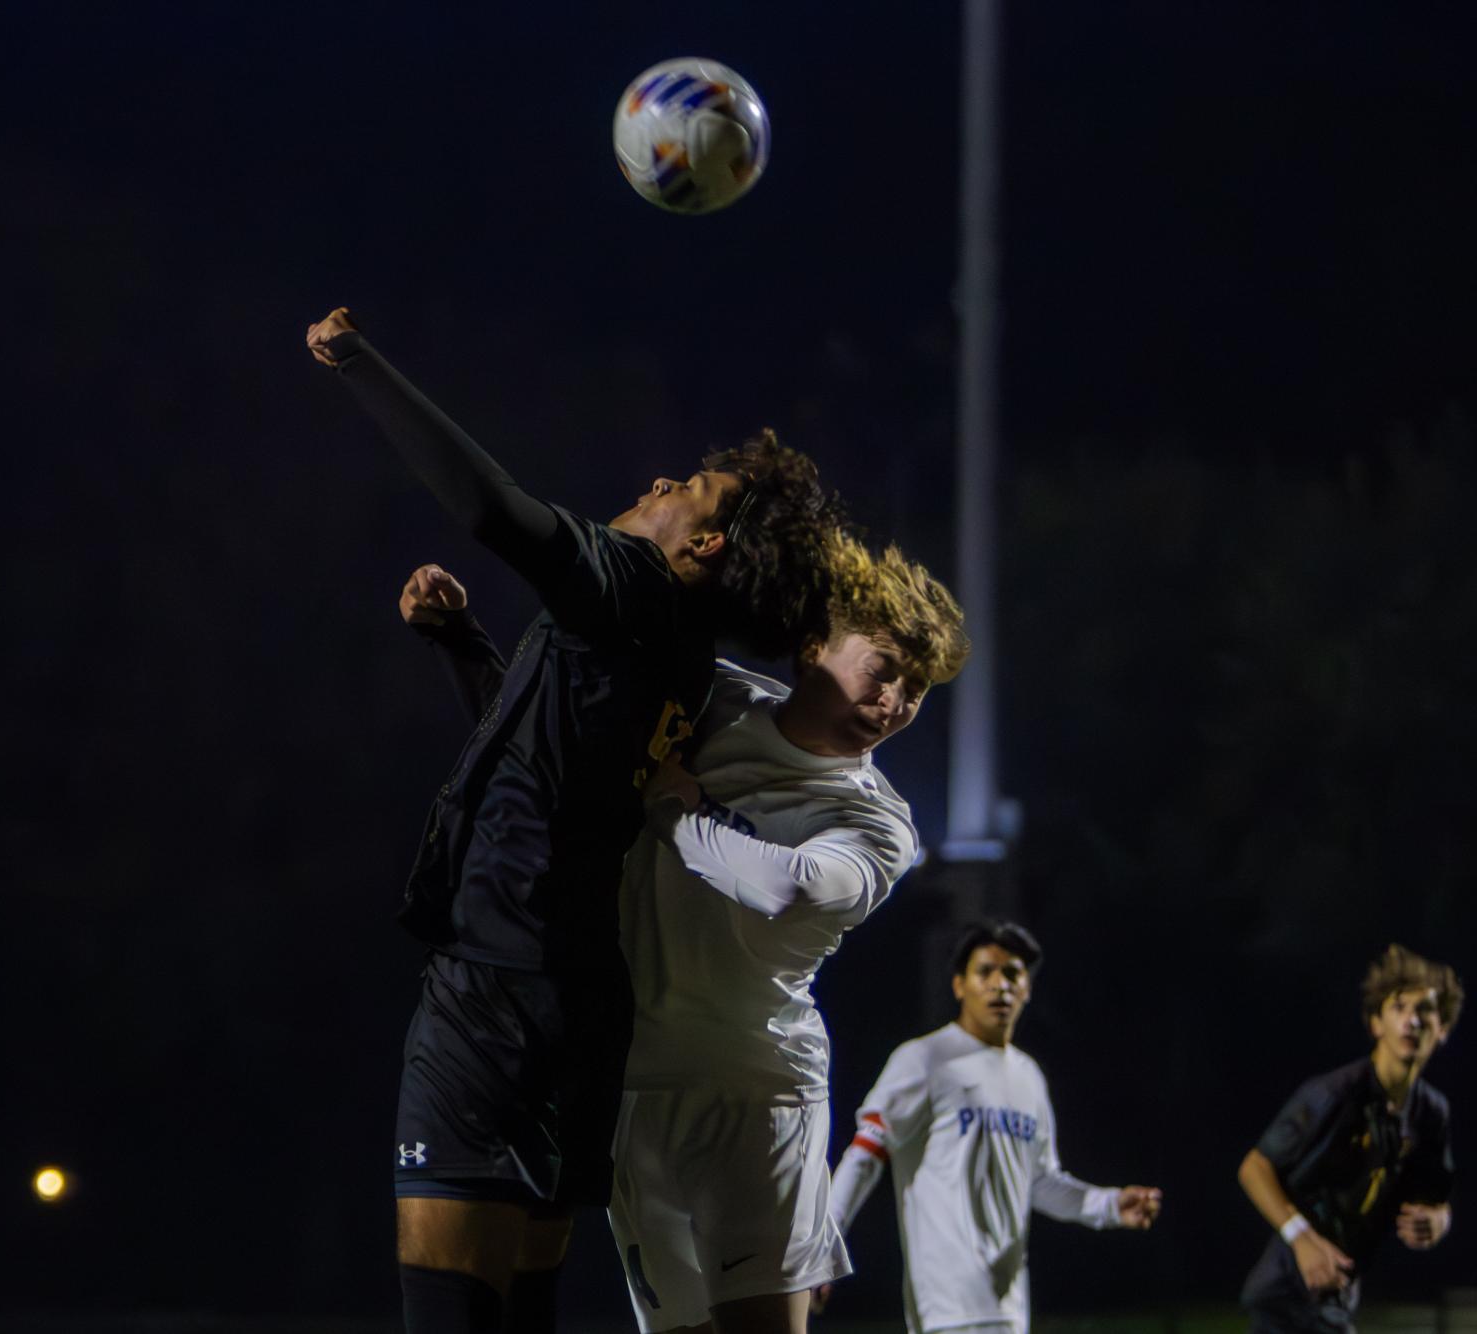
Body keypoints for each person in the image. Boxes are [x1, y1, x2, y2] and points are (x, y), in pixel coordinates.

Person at [308, 306, 842, 1334]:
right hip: (583, 1002)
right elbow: (545, 754)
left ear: (706, 542)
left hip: (493, 989)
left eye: (685, 489)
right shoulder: (676, 652)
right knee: (525, 1307)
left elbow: (495, 509)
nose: (657, 486)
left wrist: (360, 364)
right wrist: (464, 643)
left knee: (453, 1311)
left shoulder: (630, 578)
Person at [603, 532, 970, 1334]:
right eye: (884, 670)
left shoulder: (877, 824)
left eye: (916, 689)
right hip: (635, 1087)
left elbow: (783, 886)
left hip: (759, 1095)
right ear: (812, 650)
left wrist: (672, 809)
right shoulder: (717, 700)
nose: (896, 703)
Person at [824, 921, 1163, 1334]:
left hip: (1009, 1309)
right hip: (946, 1311)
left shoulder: (1029, 1076)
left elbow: (1040, 1181)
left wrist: (1109, 1205)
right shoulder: (925, 1059)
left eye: (1012, 973)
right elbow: (865, 1155)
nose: (1000, 984)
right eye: (985, 971)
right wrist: (825, 1243)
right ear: (959, 985)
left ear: (1027, 989)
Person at [1236, 943, 1463, 1333]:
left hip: (1335, 1292)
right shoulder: (1333, 1095)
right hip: (1289, 1292)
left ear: (1442, 1029)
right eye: (1399, 1008)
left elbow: (1436, 1199)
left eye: (1424, 1009)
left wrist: (1440, 1220)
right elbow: (1254, 1168)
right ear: (1376, 1024)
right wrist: (1302, 1239)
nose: (1412, 1021)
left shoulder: (1431, 1113)